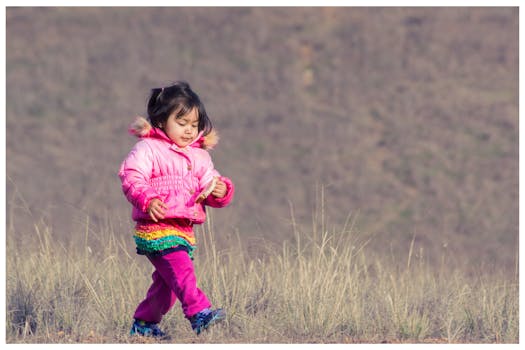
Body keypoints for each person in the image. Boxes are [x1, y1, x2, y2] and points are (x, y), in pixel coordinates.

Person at [118, 81, 235, 338]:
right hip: (155, 228)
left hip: (183, 231)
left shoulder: (200, 157)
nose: (189, 131)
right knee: (182, 272)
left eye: (194, 125)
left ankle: (144, 325)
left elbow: (210, 184)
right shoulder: (148, 149)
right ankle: (199, 312)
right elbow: (131, 177)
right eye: (182, 123)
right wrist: (147, 199)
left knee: (167, 288)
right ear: (161, 122)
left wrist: (221, 190)